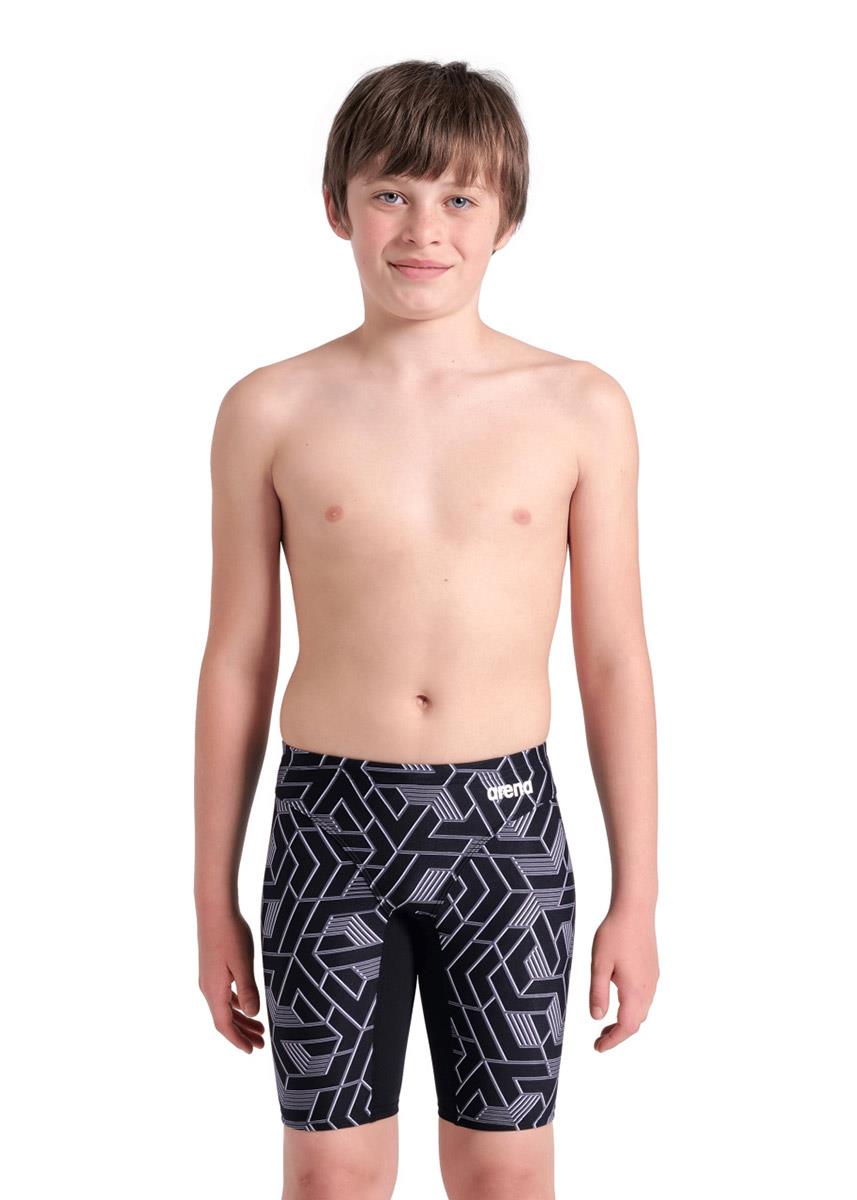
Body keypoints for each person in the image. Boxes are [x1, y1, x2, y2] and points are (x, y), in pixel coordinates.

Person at [194, 58, 659, 1200]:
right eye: (391, 193)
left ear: (506, 218)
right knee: (331, 1179)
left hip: (505, 836)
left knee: (504, 1178)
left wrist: (637, 897)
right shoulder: (270, 408)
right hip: (327, 832)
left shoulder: (578, 406)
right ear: (336, 206)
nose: (422, 229)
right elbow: (236, 660)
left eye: (459, 197)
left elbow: (613, 660)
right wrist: (212, 899)